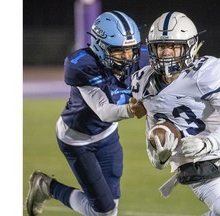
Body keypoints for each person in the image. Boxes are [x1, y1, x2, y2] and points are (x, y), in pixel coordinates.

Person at [131, 11, 220, 215]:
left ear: (189, 46)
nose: (166, 52)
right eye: (161, 46)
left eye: (173, 46)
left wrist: (208, 144)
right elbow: (154, 134)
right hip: (195, 165)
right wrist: (159, 158)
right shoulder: (143, 82)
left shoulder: (205, 74)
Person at [26, 11, 147, 216]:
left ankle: (45, 186)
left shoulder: (140, 58)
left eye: (130, 50)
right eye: (119, 51)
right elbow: (104, 111)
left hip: (107, 135)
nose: (128, 58)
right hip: (77, 139)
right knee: (104, 211)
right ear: (100, 47)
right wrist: (130, 110)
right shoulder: (83, 65)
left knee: (110, 208)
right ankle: (47, 186)